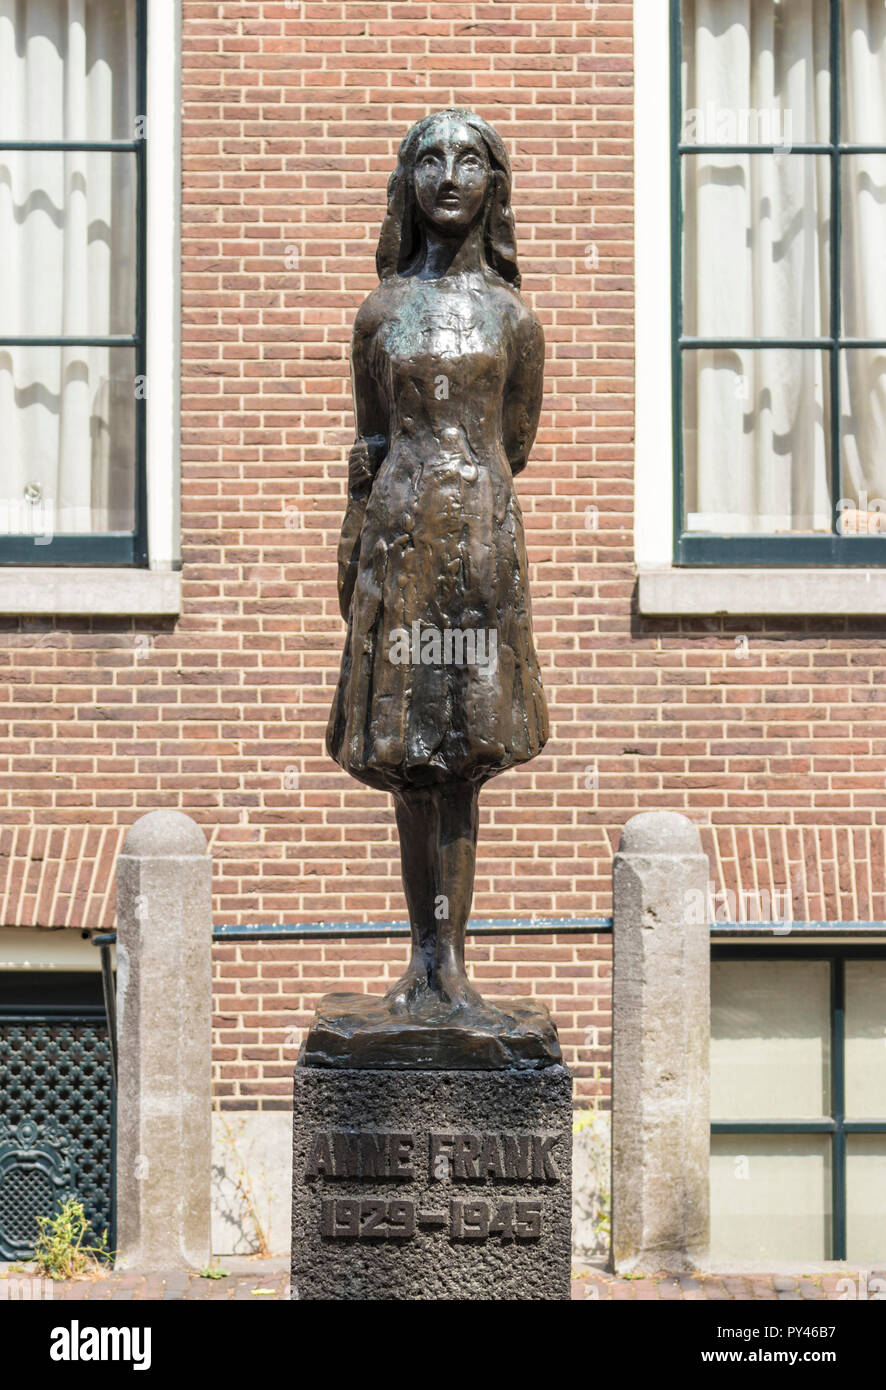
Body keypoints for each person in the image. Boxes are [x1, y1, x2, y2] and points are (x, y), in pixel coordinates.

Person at [326, 109, 549, 1014]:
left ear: (493, 184)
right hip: (399, 550)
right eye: (430, 160)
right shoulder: (380, 312)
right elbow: (372, 440)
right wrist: (358, 548)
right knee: (408, 755)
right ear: (407, 184)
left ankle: (450, 963)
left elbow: (516, 441)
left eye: (468, 160)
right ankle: (421, 956)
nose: (449, 176)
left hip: (479, 552)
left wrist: (467, 510)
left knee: (462, 757)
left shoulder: (513, 318)